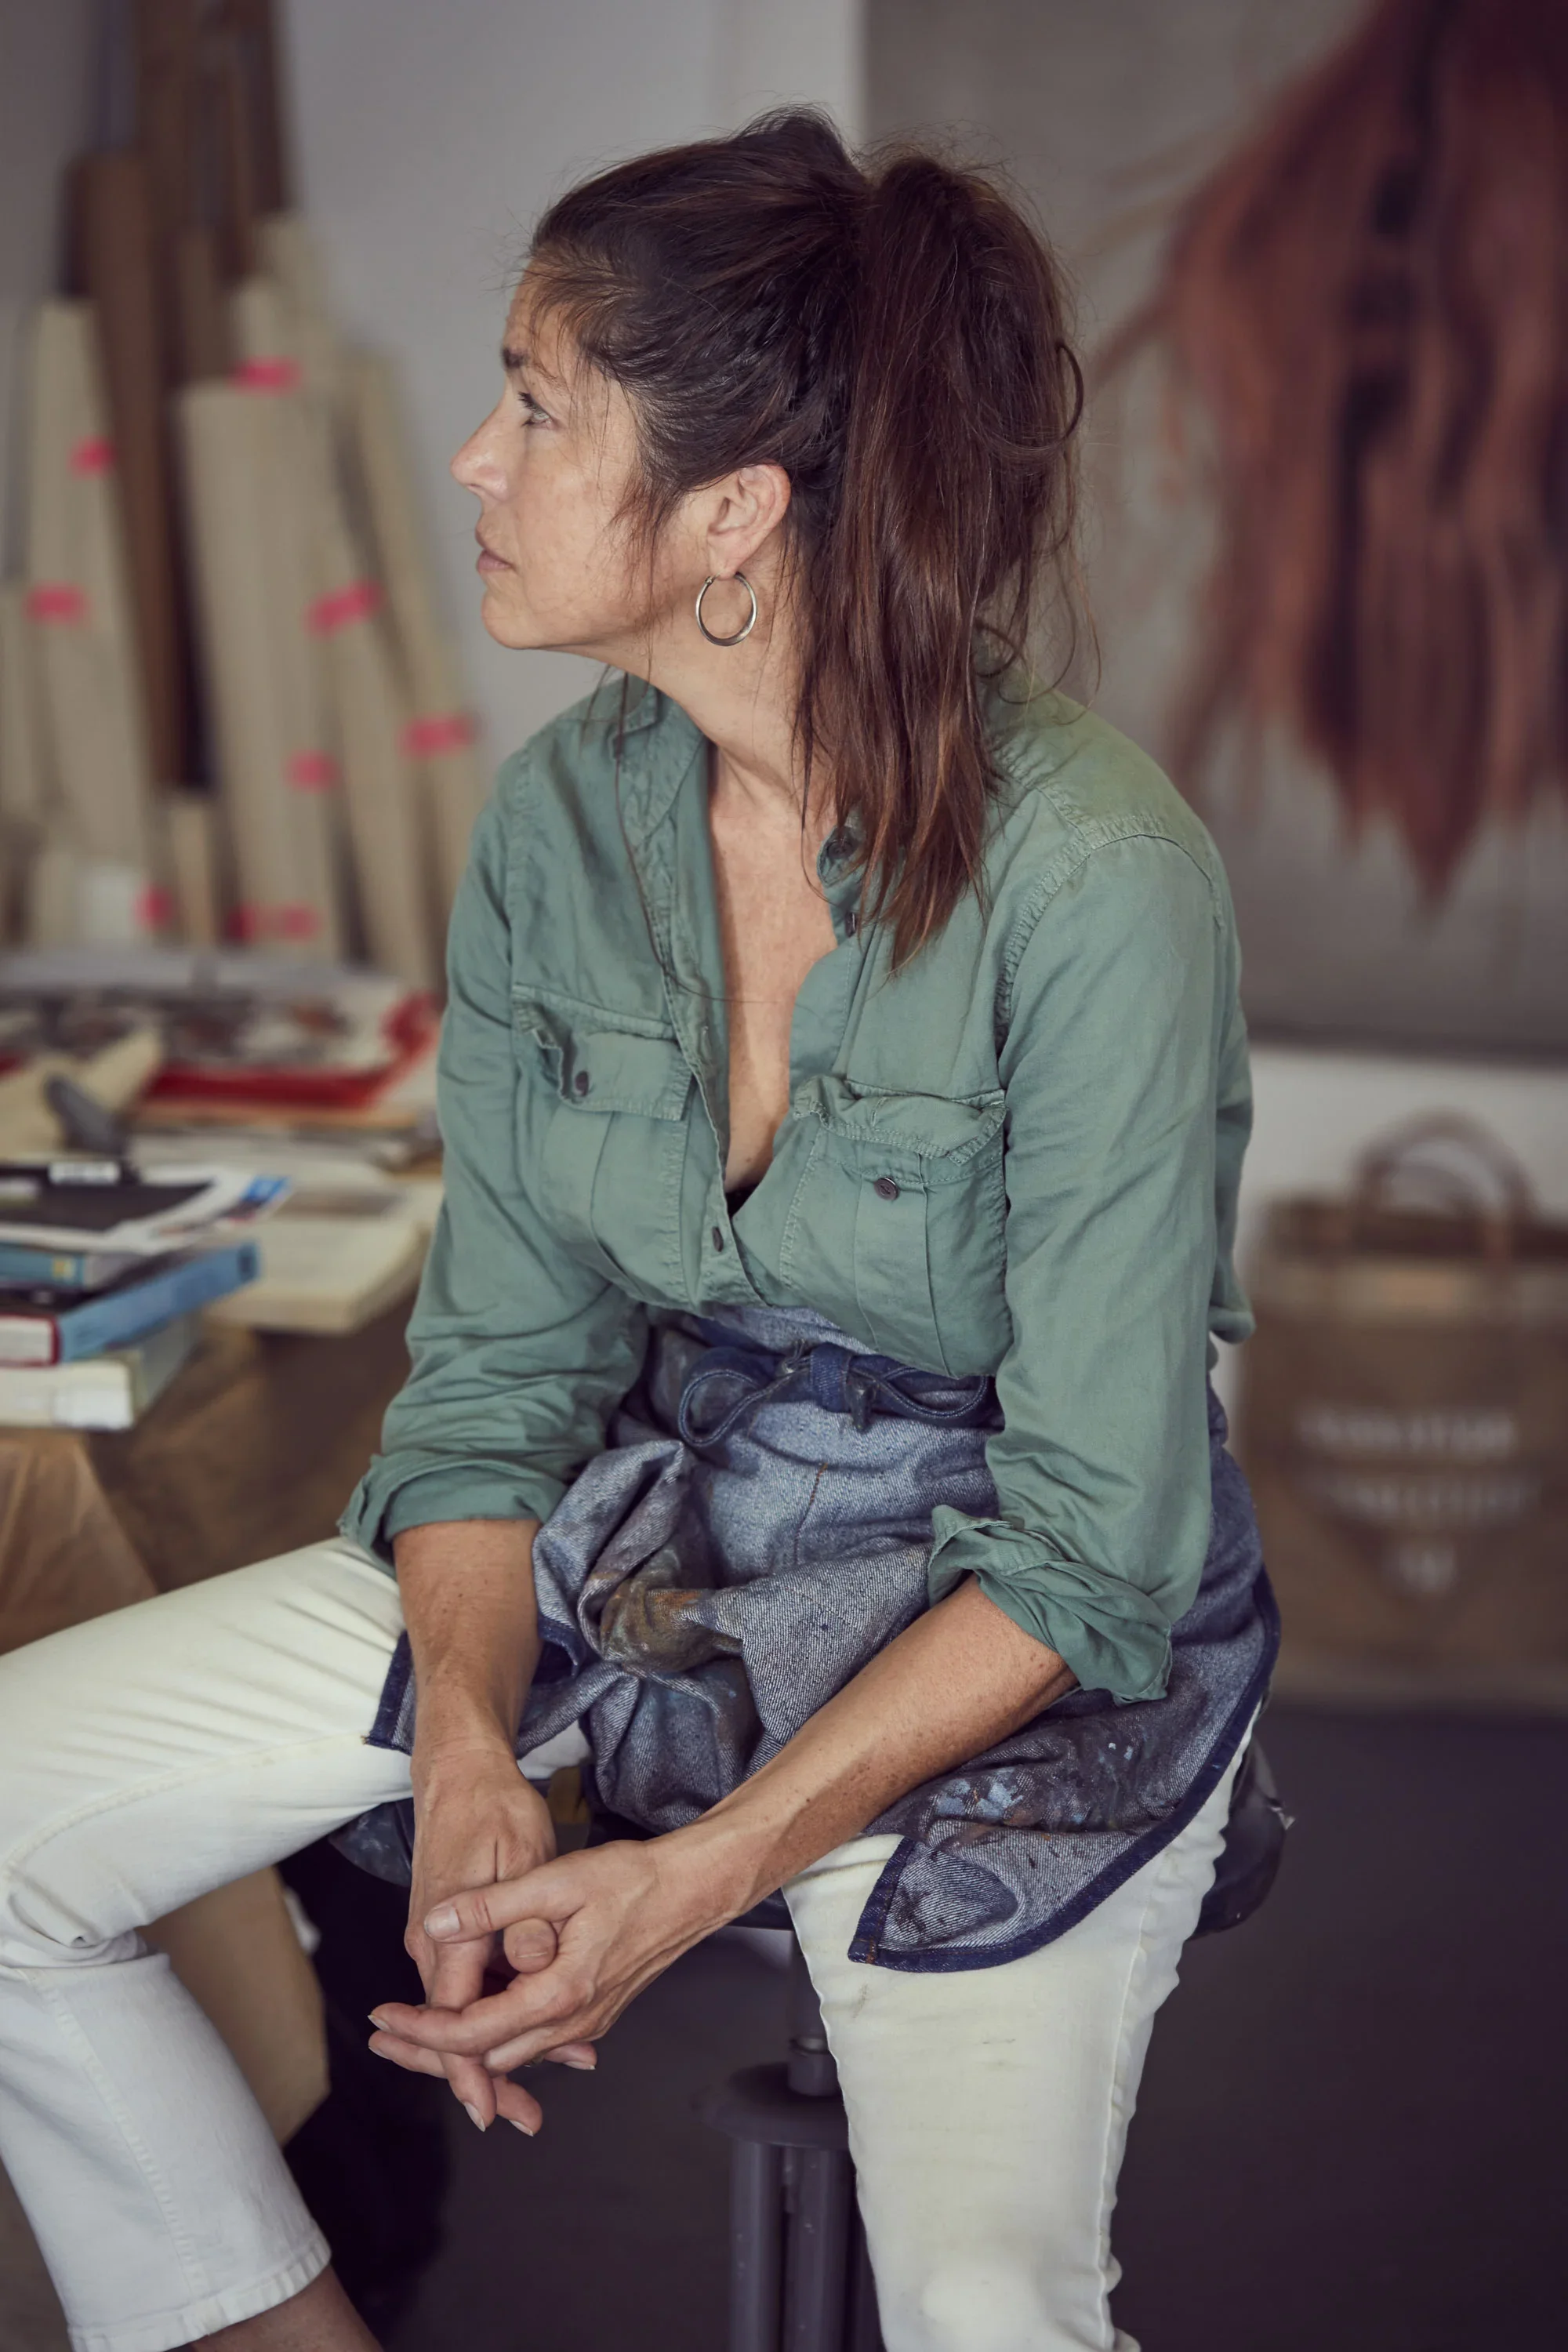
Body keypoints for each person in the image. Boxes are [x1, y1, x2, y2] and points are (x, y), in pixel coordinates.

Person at [0, 113, 1275, 2352]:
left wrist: (689, 1881)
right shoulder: (557, 827)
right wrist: (470, 1748)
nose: (473, 460)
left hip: (1001, 1640)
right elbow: (497, 1383)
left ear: (732, 516)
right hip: (649, 1546)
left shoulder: (1101, 883)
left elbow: (1091, 1546)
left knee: (989, 2304)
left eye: (537, 405)